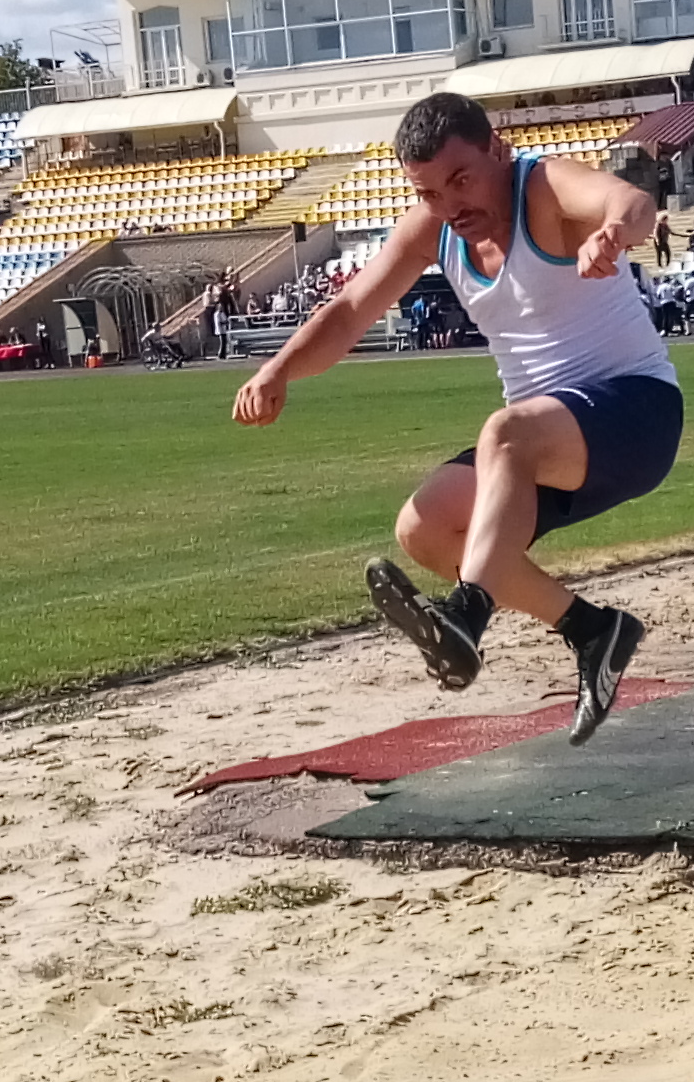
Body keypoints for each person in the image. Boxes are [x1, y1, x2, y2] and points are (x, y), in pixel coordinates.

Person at [234, 89, 669, 744]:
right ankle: (594, 631)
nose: (451, 205)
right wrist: (278, 368)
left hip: (637, 415)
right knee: (424, 528)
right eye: (430, 192)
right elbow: (352, 310)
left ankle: (467, 613)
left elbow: (630, 201)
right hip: (549, 441)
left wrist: (612, 232)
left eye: (461, 179)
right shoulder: (432, 228)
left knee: (505, 433)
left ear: (498, 149)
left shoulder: (544, 187)